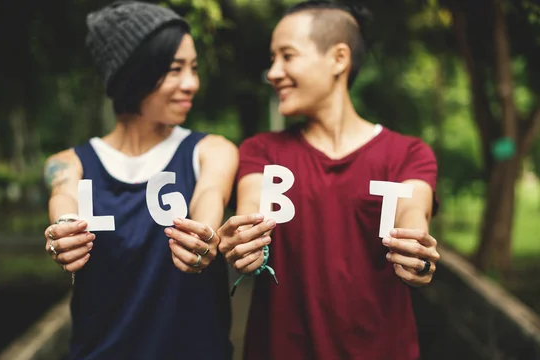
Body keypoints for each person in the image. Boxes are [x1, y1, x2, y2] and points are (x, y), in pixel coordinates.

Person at [217, 1, 440, 359]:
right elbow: (250, 212)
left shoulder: (408, 154)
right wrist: (242, 240)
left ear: (339, 58)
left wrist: (417, 252)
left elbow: (413, 212)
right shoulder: (261, 151)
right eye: (272, 59)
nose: (273, 72)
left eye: (287, 56)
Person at [42, 1, 237, 359]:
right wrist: (63, 230)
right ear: (134, 73)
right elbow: (64, 198)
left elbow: (210, 194)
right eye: (175, 69)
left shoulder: (212, 151)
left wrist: (204, 234)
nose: (191, 83)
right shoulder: (69, 164)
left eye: (193, 68)